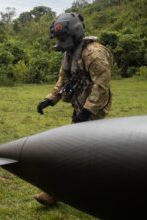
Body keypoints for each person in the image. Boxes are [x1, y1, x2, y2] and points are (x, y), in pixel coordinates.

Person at [35, 13, 112, 205]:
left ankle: (55, 192)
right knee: (83, 152)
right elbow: (64, 78)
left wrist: (87, 112)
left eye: (62, 38)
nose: (61, 42)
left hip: (93, 111)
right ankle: (60, 191)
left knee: (75, 152)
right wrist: (50, 98)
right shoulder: (70, 53)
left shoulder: (94, 53)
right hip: (79, 108)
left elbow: (102, 85)